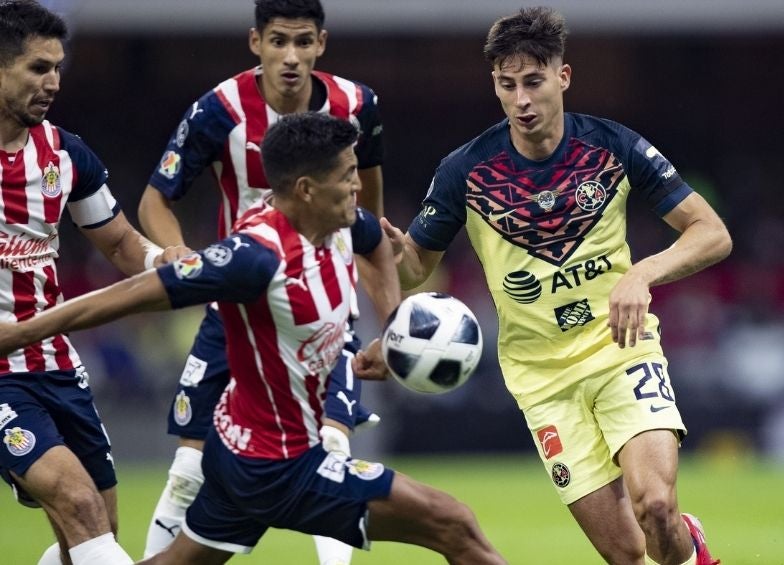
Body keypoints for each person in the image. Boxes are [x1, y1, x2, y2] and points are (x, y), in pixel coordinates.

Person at [0, 112, 506, 565]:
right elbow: (134, 294)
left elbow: (375, 244)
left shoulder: (339, 220)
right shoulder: (254, 256)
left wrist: (392, 327)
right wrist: (21, 332)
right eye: (348, 175)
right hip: (279, 465)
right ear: (306, 188)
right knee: (454, 523)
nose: (359, 187)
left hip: (242, 454)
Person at [378, 7, 731, 565]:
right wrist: (390, 256)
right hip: (542, 381)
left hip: (620, 352)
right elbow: (414, 270)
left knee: (657, 506)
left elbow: (712, 233)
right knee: (628, 555)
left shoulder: (613, 148)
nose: (521, 100)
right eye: (506, 84)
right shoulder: (464, 172)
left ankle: (689, 544)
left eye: (533, 82)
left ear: (562, 78)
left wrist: (642, 273)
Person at [135, 1, 393, 562]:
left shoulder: (357, 105)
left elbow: (367, 210)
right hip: (236, 312)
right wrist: (174, 249)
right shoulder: (219, 110)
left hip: (320, 308)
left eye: (303, 42)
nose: (291, 57)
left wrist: (385, 321)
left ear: (321, 42)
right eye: (279, 41)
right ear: (256, 42)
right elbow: (155, 200)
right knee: (186, 470)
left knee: (330, 448)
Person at [0, 2, 185, 564]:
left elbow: (124, 245)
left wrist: (174, 261)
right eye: (37, 68)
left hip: (55, 362)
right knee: (78, 503)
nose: (53, 82)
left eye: (58, 68)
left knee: (96, 525)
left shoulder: (65, 154)